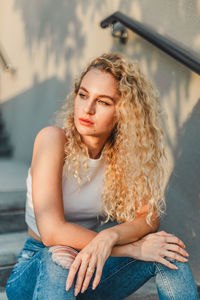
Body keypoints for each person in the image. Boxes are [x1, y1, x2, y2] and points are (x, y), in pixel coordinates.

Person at [6, 53, 198, 300]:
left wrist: (111, 235)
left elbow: (148, 218)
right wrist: (131, 248)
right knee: (61, 255)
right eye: (83, 95)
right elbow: (52, 232)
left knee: (167, 252)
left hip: (92, 269)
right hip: (38, 265)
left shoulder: (124, 156)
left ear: (123, 113)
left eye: (104, 102)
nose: (87, 109)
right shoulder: (52, 139)